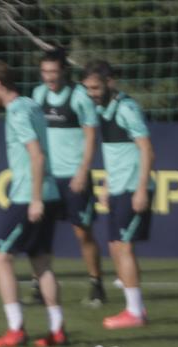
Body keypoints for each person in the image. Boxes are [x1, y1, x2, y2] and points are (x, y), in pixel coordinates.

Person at [0, 59, 65, 347]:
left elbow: (36, 156)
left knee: (0, 257)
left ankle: (15, 328)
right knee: (41, 263)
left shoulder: (16, 112)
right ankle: (57, 328)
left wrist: (35, 199)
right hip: (49, 192)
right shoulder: (31, 104)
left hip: (30, 195)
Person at [82, 60, 156, 329]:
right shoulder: (103, 109)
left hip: (132, 188)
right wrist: (106, 186)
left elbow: (147, 150)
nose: (92, 93)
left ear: (110, 82)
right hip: (117, 188)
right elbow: (116, 154)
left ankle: (135, 313)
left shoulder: (127, 109)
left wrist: (140, 190)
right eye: (88, 88)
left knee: (123, 247)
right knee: (115, 247)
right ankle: (133, 307)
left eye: (96, 87)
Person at [32, 48, 106, 307]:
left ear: (63, 71)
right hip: (49, 177)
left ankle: (96, 283)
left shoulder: (79, 98)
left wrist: (82, 171)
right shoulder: (38, 95)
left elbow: (90, 138)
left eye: (53, 71)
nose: (49, 77)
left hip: (74, 177)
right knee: (41, 232)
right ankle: (39, 286)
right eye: (45, 72)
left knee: (82, 233)